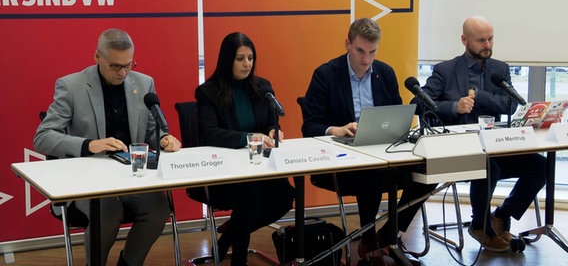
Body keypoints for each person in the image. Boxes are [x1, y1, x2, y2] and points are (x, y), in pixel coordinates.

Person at [34, 28, 182, 266]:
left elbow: (153, 131)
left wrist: (165, 139)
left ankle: (129, 262)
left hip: (131, 177)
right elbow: (43, 137)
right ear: (97, 57)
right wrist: (89, 144)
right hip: (86, 181)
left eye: (128, 65)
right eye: (115, 66)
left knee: (158, 208)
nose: (123, 72)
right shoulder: (72, 86)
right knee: (108, 210)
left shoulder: (144, 83)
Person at [301, 18, 433, 262]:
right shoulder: (326, 75)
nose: (366, 59)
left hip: (384, 150)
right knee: (371, 173)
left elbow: (394, 116)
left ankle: (389, 234)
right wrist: (336, 130)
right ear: (347, 44)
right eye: (360, 51)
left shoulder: (385, 72)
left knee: (431, 168)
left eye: (372, 52)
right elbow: (309, 126)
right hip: (343, 159)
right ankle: (368, 239)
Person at [418, 15, 546, 252]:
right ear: (464, 40)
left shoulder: (500, 69)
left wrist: (480, 96)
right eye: (481, 40)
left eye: (490, 39)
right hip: (460, 150)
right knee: (487, 167)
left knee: (540, 166)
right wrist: (454, 106)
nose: (487, 45)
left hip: (496, 145)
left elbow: (511, 104)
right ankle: (480, 225)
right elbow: (420, 103)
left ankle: (502, 215)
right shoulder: (445, 70)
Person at [191, 32, 295, 265]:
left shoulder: (262, 88)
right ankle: (239, 258)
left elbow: (270, 121)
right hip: (225, 172)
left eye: (250, 58)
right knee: (251, 198)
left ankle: (230, 231)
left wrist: (273, 131)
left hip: (259, 166)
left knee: (285, 198)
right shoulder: (208, 92)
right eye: (240, 58)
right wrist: (248, 138)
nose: (247, 64)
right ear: (227, 59)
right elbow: (209, 132)